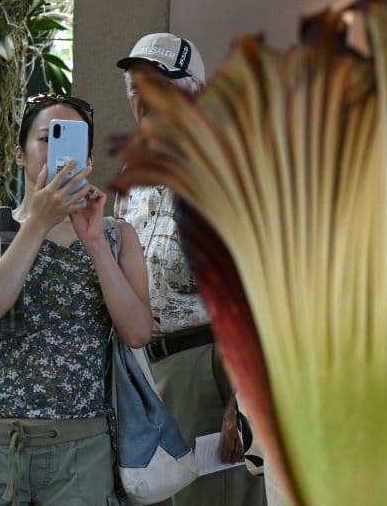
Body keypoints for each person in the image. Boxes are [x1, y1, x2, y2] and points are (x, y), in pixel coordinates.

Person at [114, 33, 266, 505]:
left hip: (209, 368)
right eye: (137, 85)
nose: (146, 96)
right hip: (141, 373)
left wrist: (243, 400)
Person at [0, 94, 152, 504]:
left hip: (83, 450)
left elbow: (137, 332)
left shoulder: (117, 235)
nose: (57, 153)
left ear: (89, 162)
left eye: (71, 143)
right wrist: (38, 223)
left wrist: (95, 243)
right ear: (19, 155)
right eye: (46, 139)